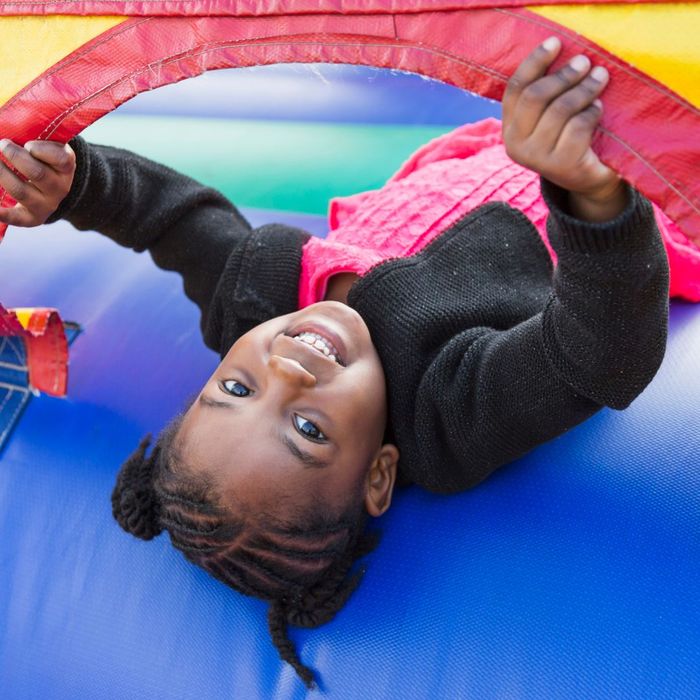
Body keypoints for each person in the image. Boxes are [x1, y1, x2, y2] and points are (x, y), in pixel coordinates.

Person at [0, 39, 674, 687]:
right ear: (379, 473)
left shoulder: (257, 309)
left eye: (235, 387)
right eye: (309, 432)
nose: (287, 372)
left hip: (477, 153)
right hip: (631, 188)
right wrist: (589, 196)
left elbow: (170, 219)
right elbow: (597, 357)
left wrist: (74, 184)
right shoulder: (443, 414)